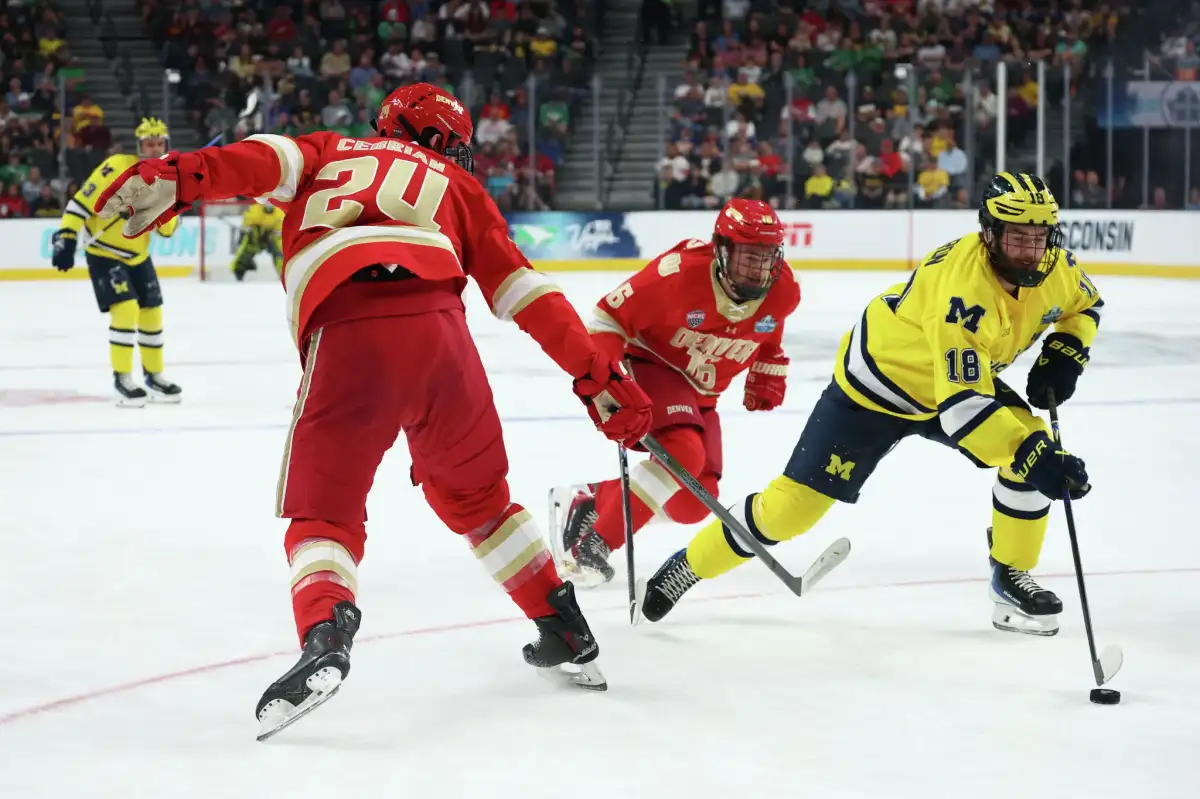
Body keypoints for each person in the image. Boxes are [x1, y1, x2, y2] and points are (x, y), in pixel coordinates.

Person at [94, 83, 653, 739]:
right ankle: (562, 622)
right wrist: (593, 371)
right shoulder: (458, 187)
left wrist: (181, 176)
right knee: (479, 501)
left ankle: (328, 629)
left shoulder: (328, 148)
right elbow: (526, 293)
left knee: (325, 513)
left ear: (386, 120)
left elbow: (258, 160)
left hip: (350, 328)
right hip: (444, 339)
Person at [640, 173, 1101, 638]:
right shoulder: (962, 293)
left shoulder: (1057, 267)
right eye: (1018, 237)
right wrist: (1032, 454)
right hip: (877, 388)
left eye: (1040, 237)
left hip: (956, 380)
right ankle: (690, 565)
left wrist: (1066, 352)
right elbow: (961, 410)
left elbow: (1086, 306)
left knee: (1032, 449)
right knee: (791, 511)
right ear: (990, 234)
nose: (1030, 249)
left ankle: (1010, 575)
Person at [551, 198, 799, 586]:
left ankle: (593, 502)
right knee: (684, 453)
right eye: (747, 257)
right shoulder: (676, 275)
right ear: (721, 249)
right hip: (653, 365)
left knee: (693, 503)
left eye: (766, 257)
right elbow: (606, 317)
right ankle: (593, 543)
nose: (757, 269)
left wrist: (769, 362)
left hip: (703, 393)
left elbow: (770, 326)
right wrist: (609, 380)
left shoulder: (784, 291)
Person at [51, 117, 183, 406]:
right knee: (125, 309)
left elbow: (168, 231)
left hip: (138, 255)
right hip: (104, 252)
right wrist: (66, 235)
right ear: (139, 146)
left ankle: (154, 376)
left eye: (159, 144)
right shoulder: (116, 167)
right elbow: (80, 203)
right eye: (149, 144)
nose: (154, 148)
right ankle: (122, 377)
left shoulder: (169, 180)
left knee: (151, 312)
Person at [232, 201, 285, 280]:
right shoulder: (255, 209)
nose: (269, 204)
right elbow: (246, 225)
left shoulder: (279, 212)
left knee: (279, 254)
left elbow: (280, 231)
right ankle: (238, 272)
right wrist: (256, 230)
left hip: (271, 239)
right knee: (244, 254)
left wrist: (271, 234)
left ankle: (283, 275)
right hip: (255, 238)